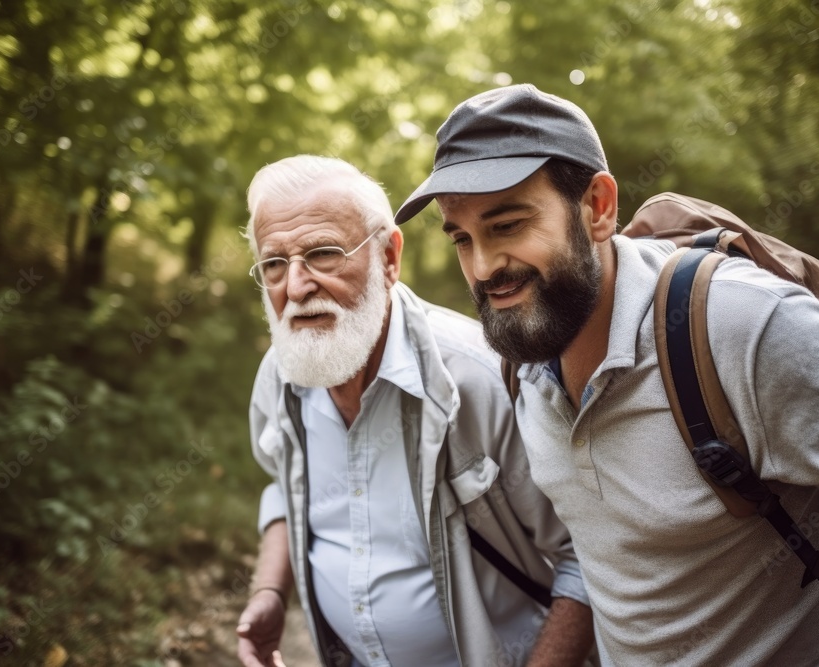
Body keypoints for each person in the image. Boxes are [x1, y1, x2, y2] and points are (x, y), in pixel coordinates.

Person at [394, 83, 819, 665]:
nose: (484, 268)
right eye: (463, 238)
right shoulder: (526, 356)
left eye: (508, 225)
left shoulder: (742, 327)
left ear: (597, 207)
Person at [236, 154, 596, 667]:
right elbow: (284, 487)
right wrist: (270, 590)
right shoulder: (279, 374)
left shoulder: (480, 379)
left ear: (388, 256)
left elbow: (584, 556)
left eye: (323, 254)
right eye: (274, 264)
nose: (295, 287)